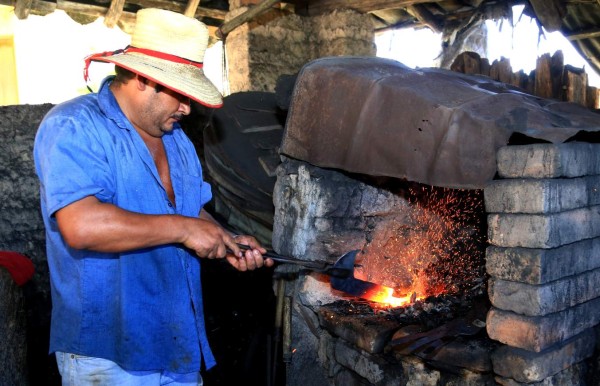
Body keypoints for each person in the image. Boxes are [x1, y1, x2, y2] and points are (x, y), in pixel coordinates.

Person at [33, 8, 273, 386]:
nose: (187, 108)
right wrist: (183, 229)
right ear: (143, 79)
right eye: (180, 94)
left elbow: (190, 211)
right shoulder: (74, 126)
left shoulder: (177, 140)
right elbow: (80, 225)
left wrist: (227, 240)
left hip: (177, 345)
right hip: (107, 356)